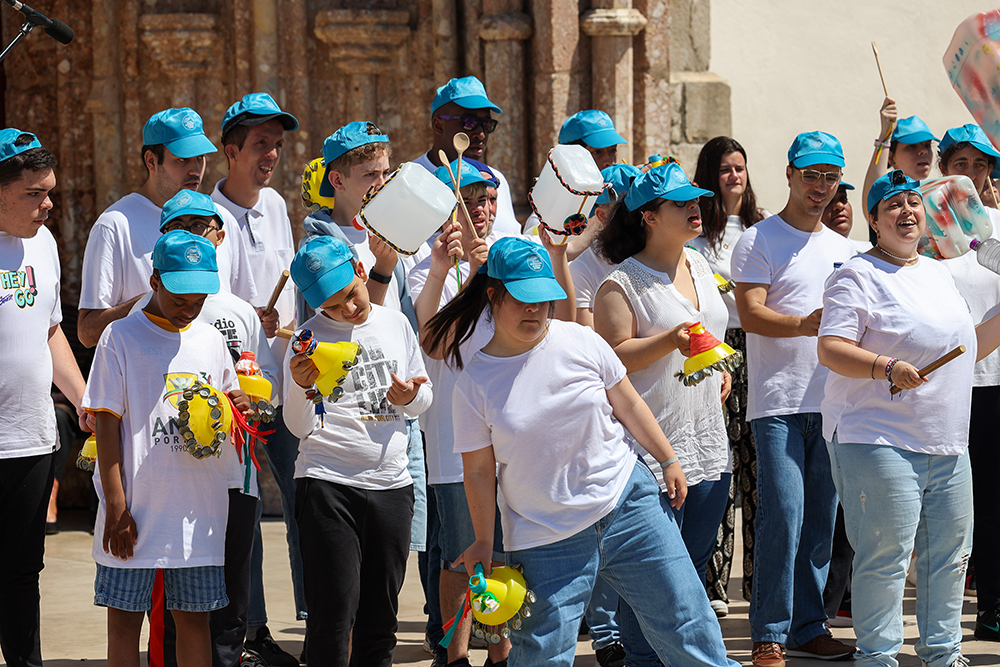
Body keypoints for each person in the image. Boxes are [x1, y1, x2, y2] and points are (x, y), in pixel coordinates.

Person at [422, 236, 738, 667]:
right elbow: (477, 471)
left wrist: (668, 459)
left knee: (688, 624)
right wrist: (482, 540)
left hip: (628, 505)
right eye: (523, 300)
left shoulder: (581, 340)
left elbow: (629, 404)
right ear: (493, 296)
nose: (535, 310)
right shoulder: (475, 382)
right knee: (542, 657)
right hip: (545, 537)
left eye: (543, 299)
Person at [818, 169, 1000, 667]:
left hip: (948, 441)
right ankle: (877, 657)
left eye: (913, 202)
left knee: (949, 559)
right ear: (874, 220)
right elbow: (831, 348)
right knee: (886, 558)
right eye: (893, 204)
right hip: (876, 438)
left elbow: (967, 349)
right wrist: (886, 367)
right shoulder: (856, 274)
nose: (906, 211)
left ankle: (943, 654)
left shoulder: (938, 273)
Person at [84, 231, 251, 667]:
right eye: (180, 298)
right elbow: (106, 423)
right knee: (124, 622)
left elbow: (225, 409)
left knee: (194, 621)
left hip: (198, 516)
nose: (190, 309)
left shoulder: (211, 340)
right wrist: (117, 506)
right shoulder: (120, 337)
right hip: (134, 513)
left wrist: (240, 406)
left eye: (199, 299)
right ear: (154, 280)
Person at [593, 162, 732, 666]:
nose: (696, 207)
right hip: (652, 454)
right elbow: (611, 362)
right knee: (651, 581)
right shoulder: (620, 285)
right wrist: (669, 340)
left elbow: (710, 330)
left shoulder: (699, 265)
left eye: (696, 199)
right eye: (681, 202)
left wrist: (719, 365)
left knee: (688, 574)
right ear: (649, 217)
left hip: (708, 444)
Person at [730, 131, 857, 667]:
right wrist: (806, 325)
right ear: (789, 174)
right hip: (779, 404)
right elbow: (751, 314)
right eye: (811, 175)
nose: (820, 186)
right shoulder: (758, 239)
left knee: (821, 523)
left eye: (830, 177)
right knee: (783, 516)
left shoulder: (848, 249)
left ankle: (809, 625)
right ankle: (769, 633)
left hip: (833, 405)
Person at [145, 192, 280, 666]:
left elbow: (267, 384)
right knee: (174, 600)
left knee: (229, 595)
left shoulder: (239, 311)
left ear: (220, 236)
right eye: (177, 227)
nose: (191, 237)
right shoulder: (145, 312)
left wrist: (253, 402)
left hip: (233, 476)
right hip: (171, 481)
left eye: (200, 226)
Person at [285, 236, 432, 667]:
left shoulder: (395, 323)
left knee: (380, 619)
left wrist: (409, 397)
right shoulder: (307, 340)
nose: (348, 309)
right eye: (332, 307)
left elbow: (424, 398)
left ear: (361, 272)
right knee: (332, 617)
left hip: (391, 486)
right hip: (327, 484)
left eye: (351, 294)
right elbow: (298, 426)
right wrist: (300, 386)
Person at [211, 93, 306, 663]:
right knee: (243, 517)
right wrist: (253, 315)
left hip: (285, 382)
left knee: (308, 501)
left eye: (276, 143)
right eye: (259, 144)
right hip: (239, 391)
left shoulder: (275, 204)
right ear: (231, 151)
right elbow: (213, 306)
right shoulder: (209, 218)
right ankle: (252, 632)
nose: (271, 153)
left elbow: (289, 288)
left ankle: (320, 621)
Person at [410, 160, 515, 667]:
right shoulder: (427, 266)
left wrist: (485, 271)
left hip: (509, 438)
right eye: (469, 201)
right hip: (454, 442)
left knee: (502, 557)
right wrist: (463, 272)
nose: (482, 210)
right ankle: (453, 656)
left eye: (488, 200)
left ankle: (500, 651)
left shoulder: (508, 260)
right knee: (459, 555)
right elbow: (434, 342)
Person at [0, 128, 89, 667]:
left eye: (49, 191)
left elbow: (50, 329)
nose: (48, 205)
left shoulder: (44, 244)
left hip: (31, 439)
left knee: (21, 572)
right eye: (33, 194)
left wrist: (83, 398)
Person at [78, 108, 257, 348]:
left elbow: (242, 310)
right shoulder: (114, 225)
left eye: (200, 158)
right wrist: (155, 301)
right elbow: (88, 333)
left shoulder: (220, 219)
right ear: (151, 161)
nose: (195, 170)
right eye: (182, 160)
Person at [689, 136, 768, 616]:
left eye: (740, 167)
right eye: (724, 169)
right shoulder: (697, 235)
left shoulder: (762, 227)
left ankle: (758, 583)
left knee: (757, 471)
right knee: (720, 470)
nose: (734, 176)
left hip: (759, 347)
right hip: (716, 349)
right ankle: (712, 584)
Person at [936, 123, 1000, 642]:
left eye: (981, 165)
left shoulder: (998, 224)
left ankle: (993, 607)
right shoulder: (925, 229)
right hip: (952, 384)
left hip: (997, 380)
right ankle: (944, 620)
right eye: (962, 164)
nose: (972, 174)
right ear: (944, 170)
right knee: (955, 507)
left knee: (996, 500)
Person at [411, 76, 521, 238]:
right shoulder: (411, 181)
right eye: (469, 122)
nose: (481, 134)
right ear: (438, 125)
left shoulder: (496, 179)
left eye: (487, 124)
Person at [571, 163, 641, 329]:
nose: (639, 215)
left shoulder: (662, 250)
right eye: (626, 208)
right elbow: (590, 336)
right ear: (602, 215)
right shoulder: (582, 270)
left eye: (642, 205)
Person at [861, 97, 938, 208]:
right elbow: (871, 204)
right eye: (912, 146)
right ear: (891, 157)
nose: (924, 151)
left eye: (927, 145)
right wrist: (885, 135)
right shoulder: (889, 202)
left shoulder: (940, 194)